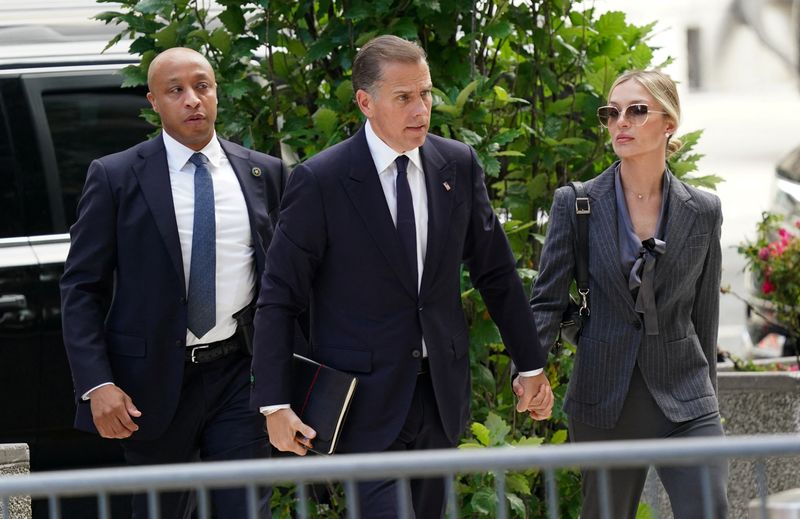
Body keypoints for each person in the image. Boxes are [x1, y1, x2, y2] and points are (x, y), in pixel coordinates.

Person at [250, 35, 553, 518]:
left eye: (426, 94)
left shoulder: (457, 163)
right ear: (366, 102)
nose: (422, 109)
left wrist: (530, 364)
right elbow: (279, 297)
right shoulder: (321, 180)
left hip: (439, 394)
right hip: (362, 403)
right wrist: (274, 402)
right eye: (404, 97)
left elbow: (495, 271)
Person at [60, 47, 287, 518]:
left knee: (247, 509)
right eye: (175, 91)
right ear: (153, 102)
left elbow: (284, 284)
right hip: (151, 384)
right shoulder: (116, 176)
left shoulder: (263, 173)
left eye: (202, 86)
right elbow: (82, 288)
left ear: (217, 92)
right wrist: (96, 383)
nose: (192, 100)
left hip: (237, 375)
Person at [522, 70, 728, 519]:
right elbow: (547, 301)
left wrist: (709, 398)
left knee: (709, 509)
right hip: (604, 398)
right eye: (612, 113)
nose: (621, 123)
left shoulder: (704, 210)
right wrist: (532, 372)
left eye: (636, 111)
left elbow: (705, 314)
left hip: (686, 398)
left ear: (668, 123)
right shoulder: (577, 203)